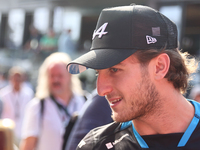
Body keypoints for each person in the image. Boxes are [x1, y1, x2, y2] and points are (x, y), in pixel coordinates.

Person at [67, 4, 200, 150]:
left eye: (115, 69)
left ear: (159, 67)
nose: (101, 90)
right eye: (98, 72)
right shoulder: (95, 146)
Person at [20, 52, 85, 150]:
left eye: (60, 75)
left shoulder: (84, 102)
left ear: (70, 76)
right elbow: (28, 145)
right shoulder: (37, 106)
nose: (55, 80)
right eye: (52, 75)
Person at [0, 67, 34, 146]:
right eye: (14, 78)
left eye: (18, 79)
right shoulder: (3, 94)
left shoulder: (28, 94)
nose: (16, 81)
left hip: (23, 130)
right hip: (8, 132)